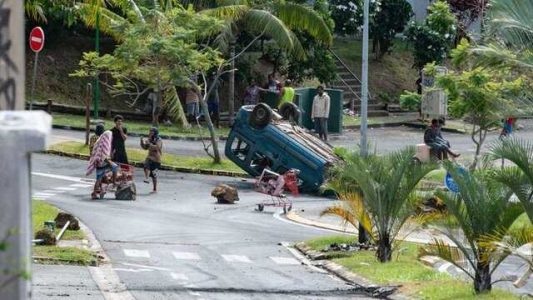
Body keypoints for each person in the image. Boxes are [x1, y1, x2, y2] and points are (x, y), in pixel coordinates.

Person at [87, 130, 118, 199]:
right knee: (115, 167)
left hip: (98, 163)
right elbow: (104, 156)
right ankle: (114, 183)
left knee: (99, 178)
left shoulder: (99, 142)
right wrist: (111, 163)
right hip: (103, 163)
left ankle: (95, 193)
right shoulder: (105, 143)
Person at [140, 127, 163, 193]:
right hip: (150, 157)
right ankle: (147, 178)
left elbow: (157, 147)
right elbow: (145, 147)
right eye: (150, 131)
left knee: (153, 174)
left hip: (156, 159)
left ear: (155, 132)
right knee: (146, 164)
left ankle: (154, 189)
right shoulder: (149, 139)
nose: (150, 133)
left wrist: (150, 144)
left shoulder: (159, 139)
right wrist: (141, 141)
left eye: (152, 131)